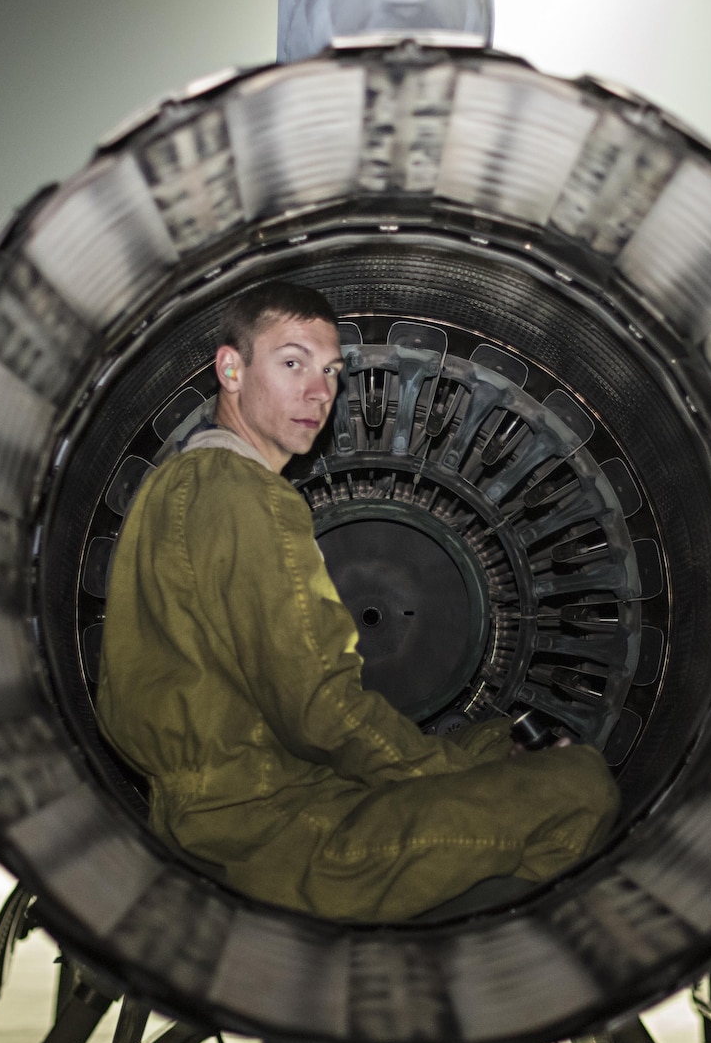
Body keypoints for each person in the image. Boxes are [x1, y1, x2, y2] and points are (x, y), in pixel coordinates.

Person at [95, 281, 620, 922]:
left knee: (495, 745)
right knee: (579, 788)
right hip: (276, 832)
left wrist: (478, 756)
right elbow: (321, 712)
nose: (320, 393)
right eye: (292, 364)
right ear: (231, 369)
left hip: (212, 810)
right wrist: (446, 776)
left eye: (332, 372)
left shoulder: (172, 485)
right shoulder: (248, 497)